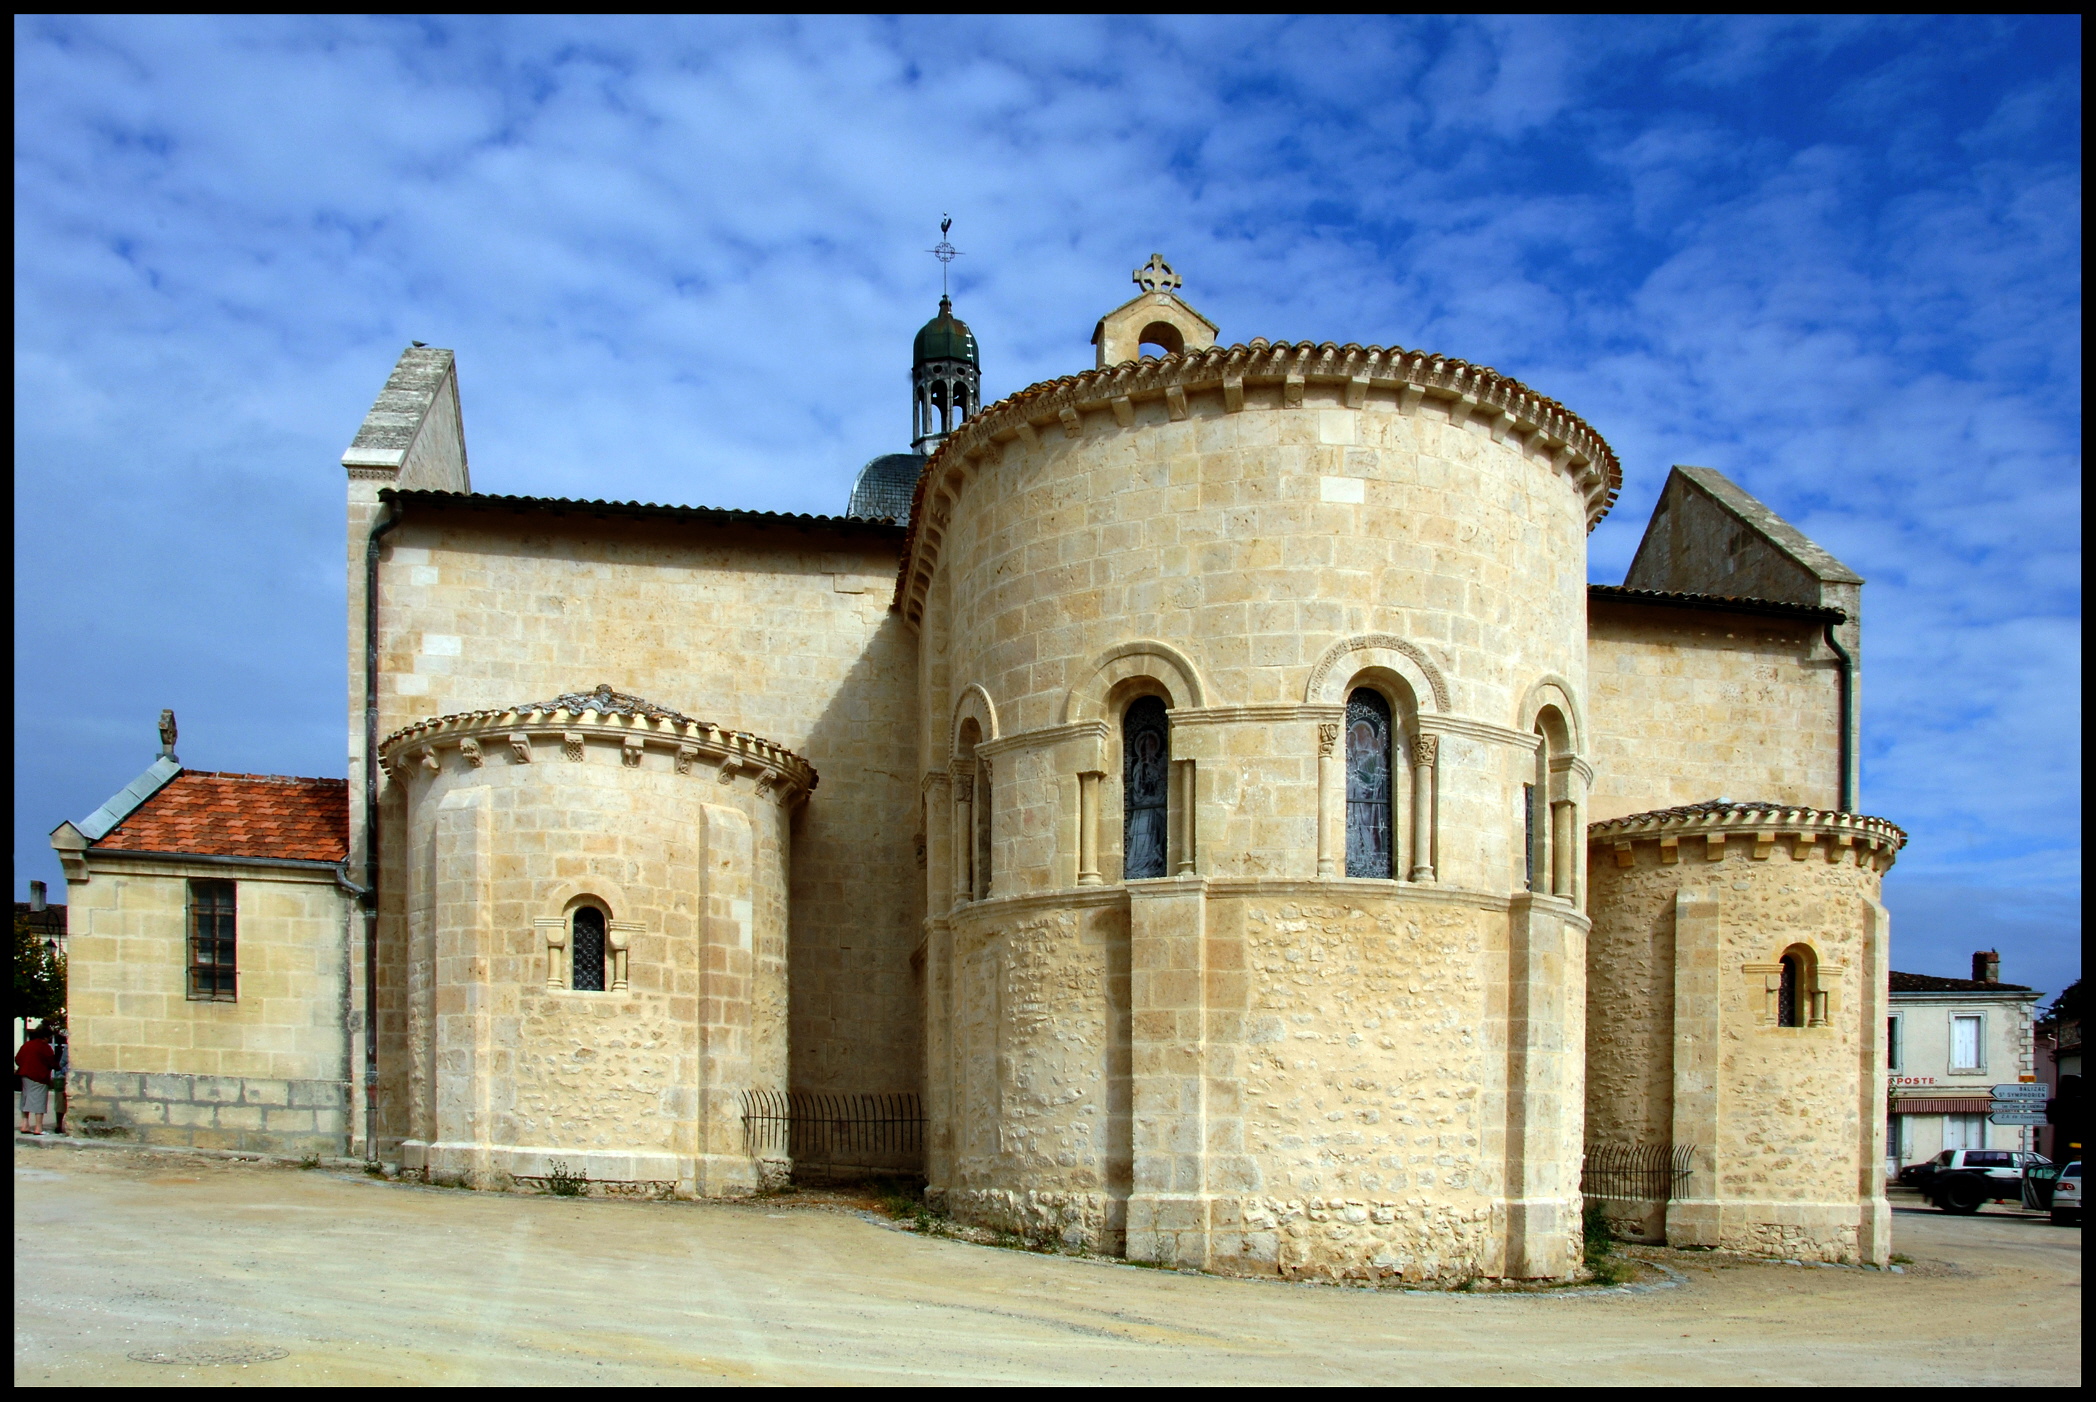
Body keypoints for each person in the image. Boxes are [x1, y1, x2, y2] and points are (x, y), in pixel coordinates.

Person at [16, 1024, 57, 1135]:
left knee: (25, 1099)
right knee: (39, 1101)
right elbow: (52, 1062)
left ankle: (25, 1125)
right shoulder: (44, 1047)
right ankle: (38, 1128)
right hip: (39, 1076)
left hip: (25, 1075)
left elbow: (18, 1059)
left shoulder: (27, 1045)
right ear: (46, 1037)